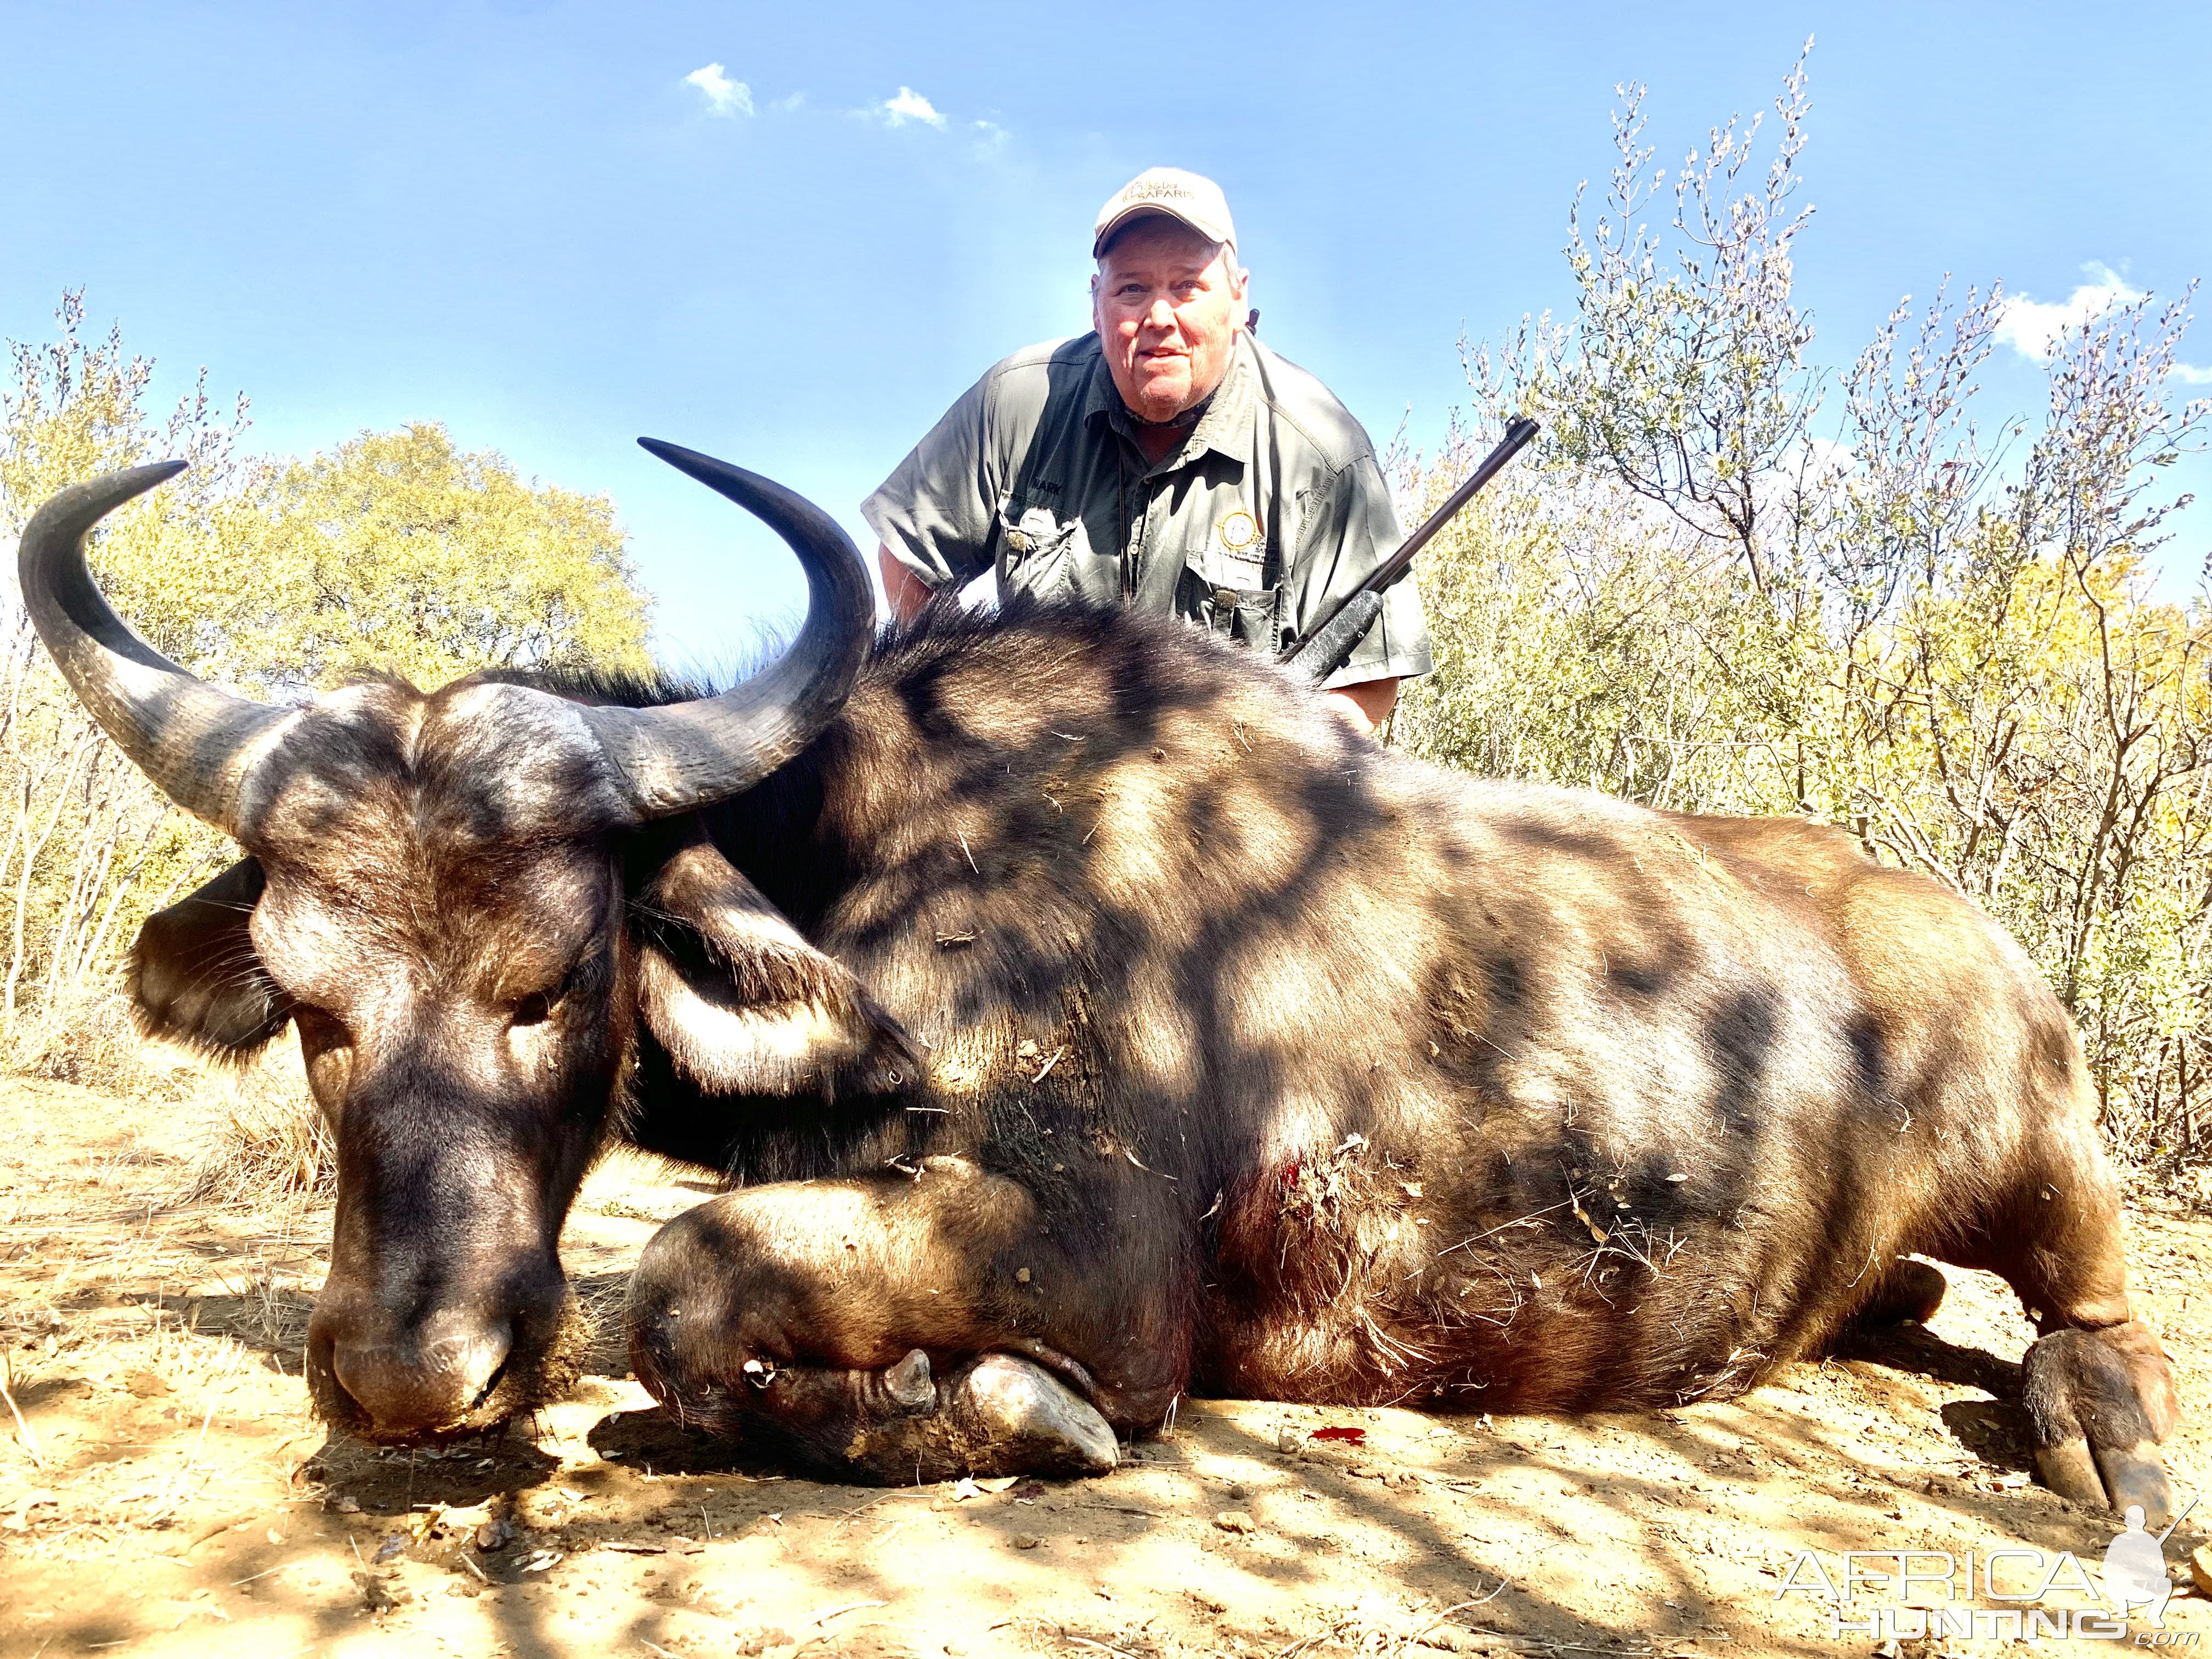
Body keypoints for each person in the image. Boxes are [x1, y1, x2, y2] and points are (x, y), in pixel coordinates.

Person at [862, 167, 1430, 733]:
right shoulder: (1016, 402)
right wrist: (973, 719)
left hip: (1224, 801)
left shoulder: (1322, 451)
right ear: (1096, 304)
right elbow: (908, 559)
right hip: (1036, 787)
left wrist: (1259, 779)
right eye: (1132, 288)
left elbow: (1367, 683)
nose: (1159, 317)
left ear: (1238, 300)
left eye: (1187, 286)